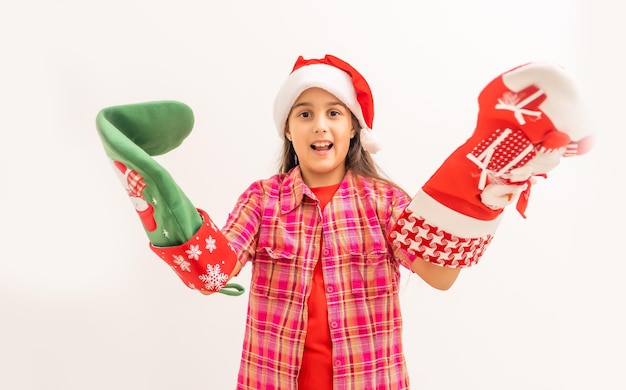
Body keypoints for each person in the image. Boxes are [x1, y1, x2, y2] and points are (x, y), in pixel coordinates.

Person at [96, 54, 593, 390]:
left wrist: (489, 205)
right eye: (305, 114)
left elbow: (440, 276)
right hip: (272, 379)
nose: (320, 124)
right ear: (288, 131)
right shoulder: (262, 201)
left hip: (369, 381)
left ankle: (487, 174)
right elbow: (214, 274)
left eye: (334, 112)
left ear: (352, 127)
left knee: (455, 207)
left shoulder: (385, 202)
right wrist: (162, 204)